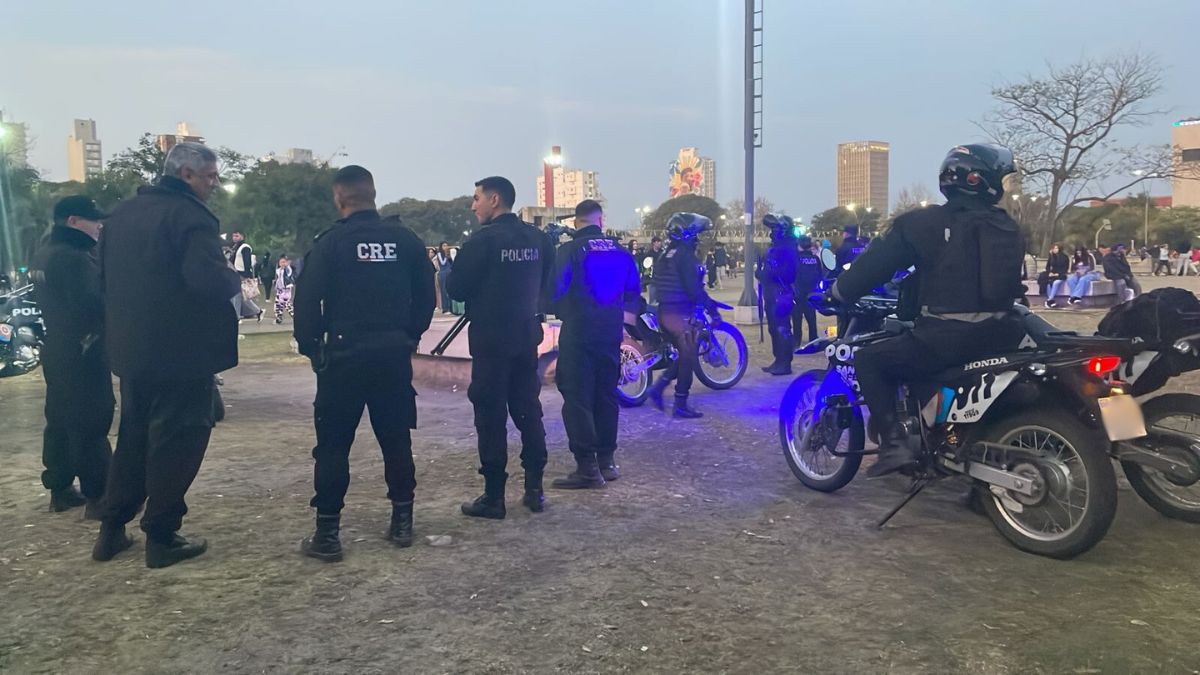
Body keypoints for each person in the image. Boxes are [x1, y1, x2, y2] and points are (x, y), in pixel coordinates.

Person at [830, 144, 1027, 477]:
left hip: (949, 337)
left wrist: (840, 291)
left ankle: (894, 445)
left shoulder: (924, 223)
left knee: (870, 360)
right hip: (1003, 332)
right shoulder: (1007, 226)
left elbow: (874, 266)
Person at [94, 142, 241, 568]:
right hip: (182, 352)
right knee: (180, 439)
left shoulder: (121, 215)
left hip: (132, 350)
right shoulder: (189, 216)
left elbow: (103, 278)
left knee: (134, 437)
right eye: (210, 176)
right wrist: (232, 279)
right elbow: (204, 279)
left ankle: (112, 527)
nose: (215, 184)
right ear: (187, 174)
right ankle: (161, 534)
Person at [292, 166, 436, 562]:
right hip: (392, 355)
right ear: (373, 194)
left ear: (339, 199)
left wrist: (312, 348)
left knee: (334, 445)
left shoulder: (331, 243)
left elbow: (306, 302)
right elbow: (427, 295)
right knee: (396, 439)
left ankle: (327, 533)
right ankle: (402, 522)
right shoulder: (405, 240)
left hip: (343, 356)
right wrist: (410, 335)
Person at [448, 176, 554, 519]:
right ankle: (535, 489)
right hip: (525, 337)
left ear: (494, 200)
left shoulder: (482, 242)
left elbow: (457, 288)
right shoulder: (538, 239)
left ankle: (494, 497)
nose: (472, 204)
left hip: (491, 341)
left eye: (476, 198)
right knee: (528, 410)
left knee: (491, 418)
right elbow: (547, 284)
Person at [28, 196, 114, 516]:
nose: (99, 226)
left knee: (60, 420)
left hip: (57, 346)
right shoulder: (75, 258)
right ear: (73, 221)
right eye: (94, 220)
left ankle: (60, 487)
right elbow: (93, 305)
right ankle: (99, 495)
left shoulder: (43, 254)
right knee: (91, 422)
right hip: (84, 349)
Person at [549, 200, 641, 489]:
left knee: (577, 398)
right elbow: (633, 294)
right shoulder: (622, 252)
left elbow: (554, 291)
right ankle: (607, 461)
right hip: (609, 334)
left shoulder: (569, 251)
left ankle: (587, 466)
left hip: (579, 333)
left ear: (576, 222)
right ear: (600, 220)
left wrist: (565, 310)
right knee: (606, 395)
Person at [646, 213, 717, 418]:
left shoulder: (665, 254)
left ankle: (658, 388)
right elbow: (694, 288)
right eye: (697, 235)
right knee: (689, 357)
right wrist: (712, 309)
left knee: (683, 354)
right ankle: (680, 404)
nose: (698, 239)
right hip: (679, 314)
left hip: (663, 313)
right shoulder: (685, 256)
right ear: (689, 234)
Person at [756, 214, 799, 376]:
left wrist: (766, 274)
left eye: (775, 229)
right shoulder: (777, 246)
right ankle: (778, 360)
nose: (772, 232)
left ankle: (785, 362)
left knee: (782, 328)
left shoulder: (787, 247)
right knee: (774, 328)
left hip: (781, 292)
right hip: (771, 292)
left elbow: (789, 272)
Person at [793, 234, 823, 344]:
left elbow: (791, 275)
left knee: (797, 318)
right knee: (811, 318)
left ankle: (796, 341)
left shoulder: (796, 259)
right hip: (812, 292)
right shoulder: (815, 259)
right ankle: (813, 339)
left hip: (798, 293)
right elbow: (820, 274)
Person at [228, 231, 263, 322]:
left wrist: (248, 275)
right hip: (234, 273)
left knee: (238, 295)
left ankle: (236, 316)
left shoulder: (245, 247)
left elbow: (247, 262)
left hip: (241, 274)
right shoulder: (235, 247)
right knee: (241, 296)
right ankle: (258, 311)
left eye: (237, 235)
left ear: (242, 236)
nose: (235, 237)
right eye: (233, 236)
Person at [273, 255, 296, 324]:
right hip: (279, 290)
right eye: (281, 262)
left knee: (287, 305)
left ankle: (295, 316)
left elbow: (289, 273)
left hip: (286, 290)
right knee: (278, 304)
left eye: (284, 262)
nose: (283, 264)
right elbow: (278, 279)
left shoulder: (288, 270)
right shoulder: (278, 271)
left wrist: (287, 266)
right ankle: (278, 317)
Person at [435, 241, 454, 315]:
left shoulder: (449, 254)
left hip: (449, 273)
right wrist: (446, 256)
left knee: (450, 291)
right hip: (443, 274)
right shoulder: (439, 254)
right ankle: (445, 308)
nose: (445, 247)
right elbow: (442, 263)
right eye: (444, 246)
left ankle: (451, 308)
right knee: (444, 291)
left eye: (446, 245)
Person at [642, 237, 664, 303]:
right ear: (654, 243)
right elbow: (647, 268)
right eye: (658, 242)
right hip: (653, 279)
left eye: (660, 242)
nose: (660, 243)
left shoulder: (663, 253)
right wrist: (647, 279)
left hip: (662, 279)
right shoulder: (649, 254)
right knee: (653, 300)